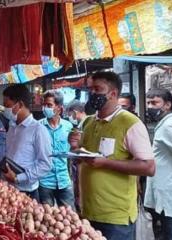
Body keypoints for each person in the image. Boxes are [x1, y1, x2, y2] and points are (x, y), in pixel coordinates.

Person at [68, 71, 155, 240]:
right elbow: (83, 157)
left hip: (116, 217)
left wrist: (105, 163)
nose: (92, 93)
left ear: (113, 93)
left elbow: (149, 167)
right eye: (90, 89)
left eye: (97, 89)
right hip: (87, 211)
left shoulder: (130, 123)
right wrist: (74, 146)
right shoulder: (88, 122)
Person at [0, 84, 52, 200]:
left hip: (26, 193)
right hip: (8, 189)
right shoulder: (12, 127)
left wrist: (18, 178)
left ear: (19, 105)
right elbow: (6, 157)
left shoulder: (38, 130)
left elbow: (45, 164)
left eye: (7, 105)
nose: (4, 109)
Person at [144, 89, 172, 240]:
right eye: (149, 103)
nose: (150, 106)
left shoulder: (168, 126)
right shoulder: (167, 124)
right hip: (166, 193)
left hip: (169, 196)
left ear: (167, 105)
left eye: (155, 103)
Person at [39, 90, 75, 208]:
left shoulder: (68, 127)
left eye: (49, 105)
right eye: (44, 105)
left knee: (68, 217)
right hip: (44, 182)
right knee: (46, 219)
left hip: (64, 180)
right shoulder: (38, 127)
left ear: (59, 108)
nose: (45, 108)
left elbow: (72, 152)